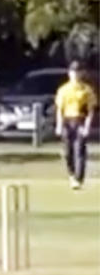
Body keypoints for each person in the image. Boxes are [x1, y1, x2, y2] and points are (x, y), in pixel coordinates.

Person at [54, 60, 97, 190]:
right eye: (73, 72)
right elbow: (59, 109)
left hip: (80, 120)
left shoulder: (87, 90)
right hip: (67, 120)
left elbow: (90, 110)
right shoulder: (64, 90)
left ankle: (78, 178)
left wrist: (87, 126)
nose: (75, 75)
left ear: (81, 73)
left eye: (78, 72)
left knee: (79, 150)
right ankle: (72, 174)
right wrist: (59, 125)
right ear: (69, 73)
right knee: (68, 152)